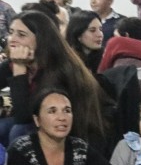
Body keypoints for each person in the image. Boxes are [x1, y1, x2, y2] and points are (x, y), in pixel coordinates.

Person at [0, 11, 110, 149]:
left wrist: (19, 68)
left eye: (21, 35)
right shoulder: (17, 61)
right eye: (11, 32)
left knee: (20, 131)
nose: (12, 39)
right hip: (40, 125)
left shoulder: (59, 69)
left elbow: (25, 117)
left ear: (41, 39)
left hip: (72, 134)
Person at [66, 10, 104, 75]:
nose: (100, 34)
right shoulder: (68, 60)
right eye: (92, 30)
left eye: (100, 29)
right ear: (78, 35)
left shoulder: (105, 57)